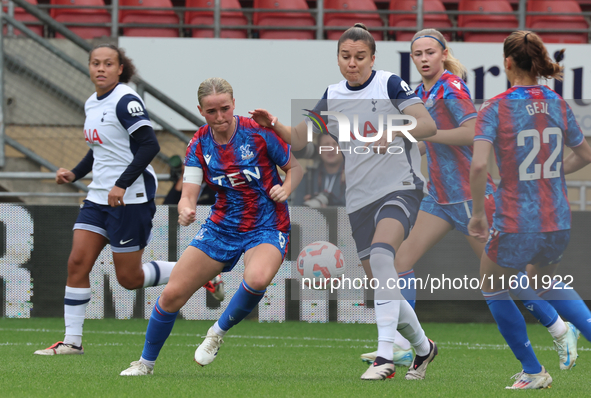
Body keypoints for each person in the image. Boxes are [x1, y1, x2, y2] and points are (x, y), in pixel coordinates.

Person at [360, 29, 578, 371]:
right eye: (418, 54)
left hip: (468, 195)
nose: (424, 59)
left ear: (444, 53)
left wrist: (423, 133)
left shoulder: (451, 87)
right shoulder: (420, 93)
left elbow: (470, 132)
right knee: (400, 262)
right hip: (439, 197)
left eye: (430, 52)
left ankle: (559, 327)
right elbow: (424, 142)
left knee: (506, 278)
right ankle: (405, 343)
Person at [251, 23, 438, 381]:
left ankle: (384, 356)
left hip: (400, 188)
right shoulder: (333, 94)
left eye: (360, 57)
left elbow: (426, 125)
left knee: (384, 256)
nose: (352, 63)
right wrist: (274, 123)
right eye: (345, 56)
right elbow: (303, 139)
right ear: (338, 57)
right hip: (360, 200)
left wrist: (393, 130)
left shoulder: (390, 84)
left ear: (372, 58)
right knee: (383, 283)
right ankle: (424, 348)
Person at [120, 77, 302, 376]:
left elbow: (295, 167)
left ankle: (216, 333)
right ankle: (145, 364)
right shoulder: (198, 143)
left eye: (225, 109)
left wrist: (287, 188)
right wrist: (186, 208)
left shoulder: (258, 132)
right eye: (211, 111)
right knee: (171, 295)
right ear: (201, 110)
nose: (219, 117)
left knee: (257, 279)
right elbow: (189, 192)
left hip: (267, 224)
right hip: (221, 226)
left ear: (234, 105)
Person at [33, 45, 176, 356]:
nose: (101, 68)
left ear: (120, 68)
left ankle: (196, 270)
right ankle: (72, 341)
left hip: (129, 198)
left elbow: (150, 145)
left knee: (129, 278)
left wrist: (122, 185)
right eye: (95, 63)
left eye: (108, 64)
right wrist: (74, 173)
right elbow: (98, 149)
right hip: (99, 197)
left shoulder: (126, 100)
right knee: (77, 262)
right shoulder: (91, 103)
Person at [468, 31, 591, 389]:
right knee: (544, 282)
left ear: (507, 63)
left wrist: (477, 214)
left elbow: (478, 167)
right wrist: (550, 172)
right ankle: (561, 339)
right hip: (558, 219)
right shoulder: (557, 102)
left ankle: (534, 371)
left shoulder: (495, 107)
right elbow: (585, 155)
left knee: (491, 287)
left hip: (516, 218)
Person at [163, 155, 225, 301]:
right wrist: (183, 180)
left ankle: (205, 274)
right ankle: (204, 276)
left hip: (212, 232)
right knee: (132, 279)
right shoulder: (187, 185)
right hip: (187, 233)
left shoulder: (215, 185)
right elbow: (167, 205)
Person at [292, 133, 346, 207]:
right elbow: (296, 213)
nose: (331, 149)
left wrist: (329, 209)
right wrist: (305, 209)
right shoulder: (308, 178)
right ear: (318, 149)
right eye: (326, 145)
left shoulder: (353, 176)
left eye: (335, 144)